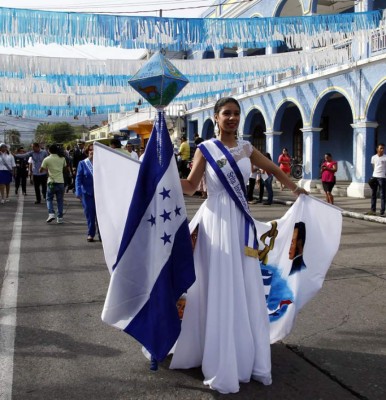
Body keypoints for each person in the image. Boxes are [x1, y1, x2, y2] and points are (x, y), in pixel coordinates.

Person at [170, 97, 307, 394]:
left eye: (235, 113)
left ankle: (242, 352)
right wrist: (163, 178)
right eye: (226, 114)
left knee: (242, 285)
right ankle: (214, 351)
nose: (232, 118)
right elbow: (192, 186)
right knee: (214, 285)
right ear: (215, 117)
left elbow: (273, 170)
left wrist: (295, 187)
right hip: (215, 222)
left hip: (240, 223)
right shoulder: (205, 149)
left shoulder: (246, 148)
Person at [40, 144, 69, 224]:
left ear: (49, 150)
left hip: (51, 182)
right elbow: (65, 168)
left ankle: (51, 213)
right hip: (60, 182)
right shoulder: (62, 158)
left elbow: (41, 170)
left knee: (49, 198)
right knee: (60, 200)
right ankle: (60, 218)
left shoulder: (47, 159)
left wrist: (47, 169)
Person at [75, 143, 97, 242]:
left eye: (94, 150)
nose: (92, 152)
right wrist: (78, 191)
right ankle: (91, 233)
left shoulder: (102, 163)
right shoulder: (83, 163)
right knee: (90, 215)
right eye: (90, 150)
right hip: (87, 194)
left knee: (102, 216)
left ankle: (103, 236)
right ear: (87, 151)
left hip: (100, 194)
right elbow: (78, 178)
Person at [367, 143, 386, 216]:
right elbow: (373, 166)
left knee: (382, 195)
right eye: (381, 148)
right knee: (373, 194)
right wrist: (375, 174)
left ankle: (382, 211)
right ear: (377, 149)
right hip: (374, 177)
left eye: (383, 148)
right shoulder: (373, 157)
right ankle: (373, 210)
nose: (382, 150)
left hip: (382, 178)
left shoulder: (385, 157)